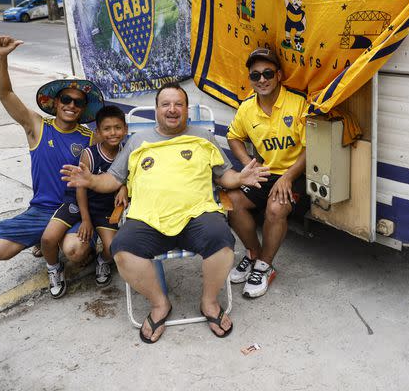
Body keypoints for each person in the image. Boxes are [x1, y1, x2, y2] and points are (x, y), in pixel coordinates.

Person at [61, 82, 270, 343]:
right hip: (148, 218)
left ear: (186, 110)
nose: (172, 109)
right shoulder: (138, 140)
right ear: (157, 110)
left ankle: (209, 302)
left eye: (178, 104)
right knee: (122, 248)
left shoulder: (203, 137)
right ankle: (160, 304)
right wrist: (91, 181)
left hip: (198, 215)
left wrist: (240, 177)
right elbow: (114, 180)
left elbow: (223, 175)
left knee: (222, 241)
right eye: (166, 104)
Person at [0, 35, 103, 267]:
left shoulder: (90, 138)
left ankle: (65, 242)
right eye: (66, 99)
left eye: (78, 102)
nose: (71, 105)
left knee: (75, 252)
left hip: (73, 211)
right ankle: (45, 238)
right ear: (56, 102)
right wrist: (0, 58)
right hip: (41, 210)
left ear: (83, 109)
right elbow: (4, 93)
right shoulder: (37, 126)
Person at [226, 48, 309, 298]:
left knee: (275, 208)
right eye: (255, 75)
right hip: (266, 172)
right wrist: (249, 164)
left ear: (279, 75)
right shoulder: (247, 108)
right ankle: (254, 255)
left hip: (296, 173)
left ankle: (264, 267)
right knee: (231, 203)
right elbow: (233, 137)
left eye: (267, 73)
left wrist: (287, 177)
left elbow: (310, 147)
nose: (262, 79)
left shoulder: (297, 102)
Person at [40, 105, 128, 298]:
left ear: (126, 129)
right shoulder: (89, 154)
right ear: (98, 131)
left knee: (112, 248)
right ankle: (54, 268)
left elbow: (131, 175)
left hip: (106, 207)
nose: (113, 133)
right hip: (80, 203)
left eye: (118, 127)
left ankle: (102, 261)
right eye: (106, 128)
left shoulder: (127, 151)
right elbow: (80, 188)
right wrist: (86, 220)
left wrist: (124, 187)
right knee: (47, 238)